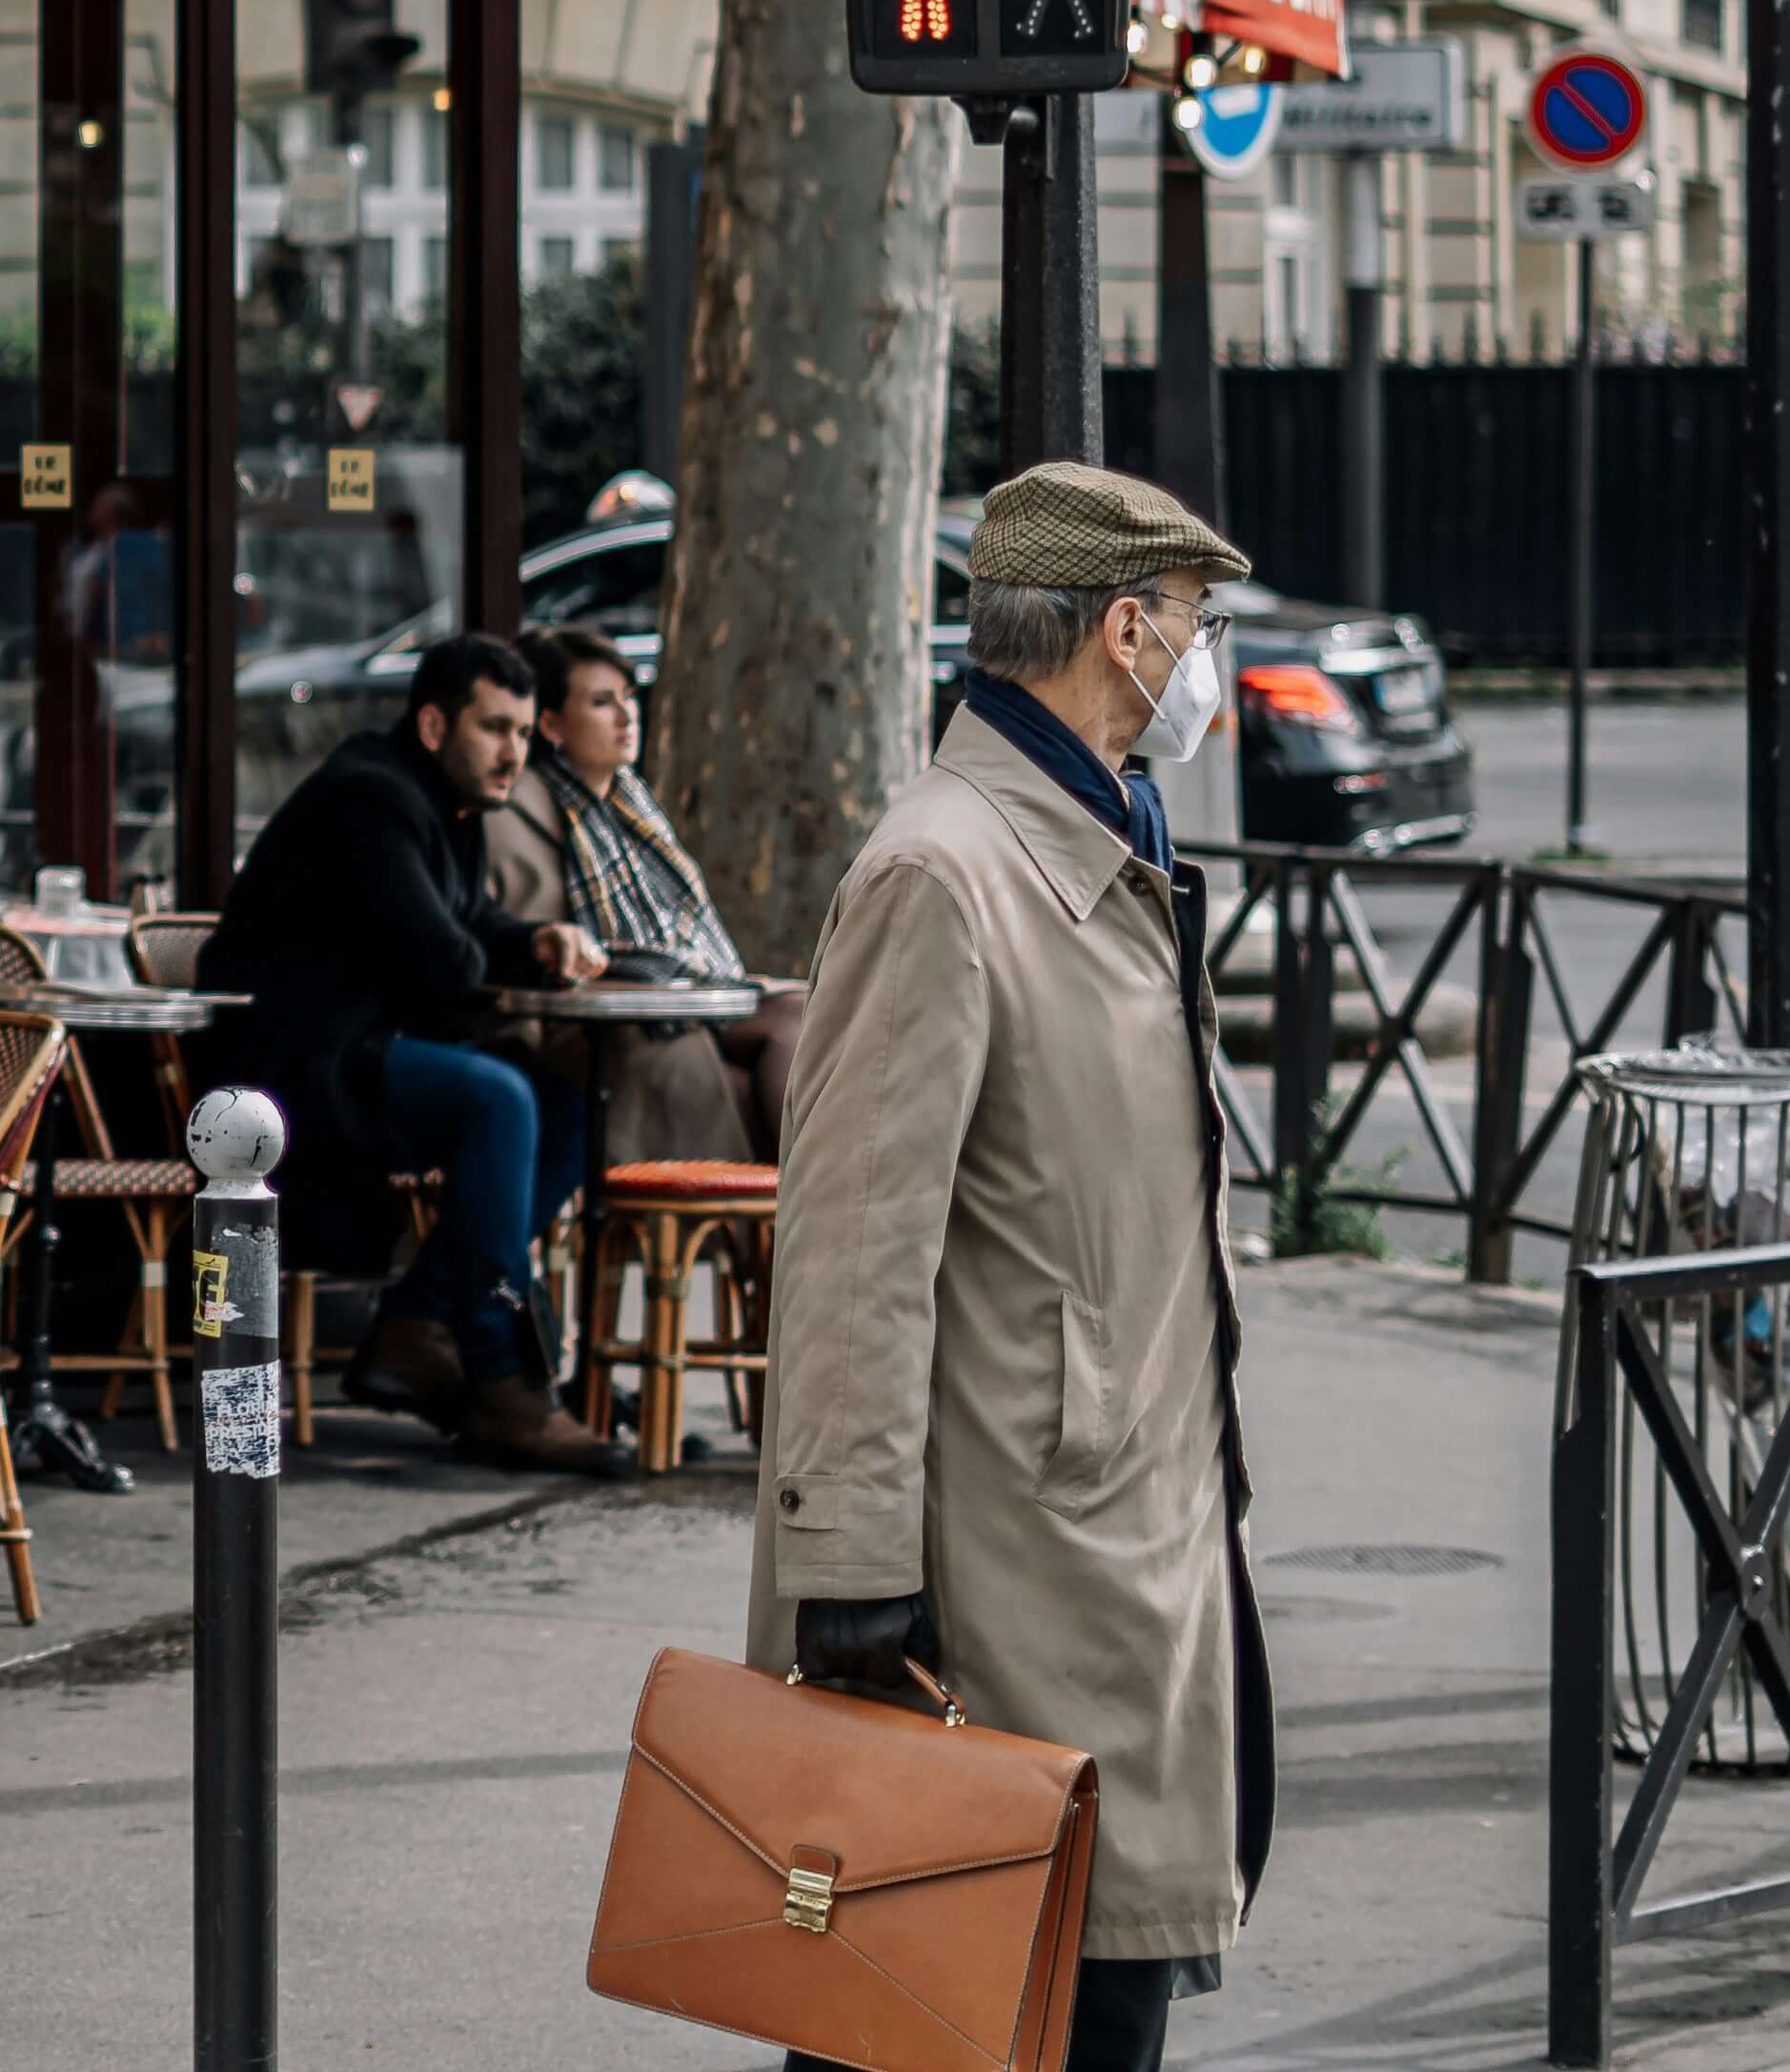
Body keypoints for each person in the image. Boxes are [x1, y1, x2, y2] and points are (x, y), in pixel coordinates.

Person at [755, 466, 1271, 2072]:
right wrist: (845, 1573)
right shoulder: (945, 870)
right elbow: (850, 1242)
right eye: (1191, 625)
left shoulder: (1098, 838)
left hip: (1116, 1535)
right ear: (1122, 631)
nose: (1202, 664)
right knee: (940, 2014)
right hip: (1004, 1581)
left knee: (1065, 1998)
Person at [202, 633, 627, 1475]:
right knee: (497, 1100)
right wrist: (492, 948)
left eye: (519, 732)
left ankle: (413, 1326)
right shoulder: (369, 799)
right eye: (493, 728)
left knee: (574, 1106)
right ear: (433, 724)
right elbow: (442, 962)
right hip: (288, 1078)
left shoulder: (448, 802)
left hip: (362, 1056)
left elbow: (463, 929)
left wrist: (533, 938)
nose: (514, 752)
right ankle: (503, 1382)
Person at [490, 627, 802, 1167]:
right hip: (613, 1016)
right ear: (551, 724)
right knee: (767, 1036)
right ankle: (787, 1221)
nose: (626, 715)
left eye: (629, 697)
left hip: (687, 987)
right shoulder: (525, 806)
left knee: (807, 1012)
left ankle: (790, 1217)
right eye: (602, 702)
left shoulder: (630, 798)